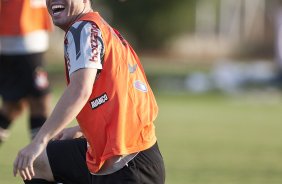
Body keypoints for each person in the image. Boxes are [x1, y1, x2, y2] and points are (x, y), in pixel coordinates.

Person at [13, 0, 165, 184]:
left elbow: (80, 89)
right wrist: (81, 130)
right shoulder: (98, 27)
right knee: (38, 164)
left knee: (35, 159)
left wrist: (40, 140)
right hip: (133, 158)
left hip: (128, 165)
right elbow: (121, 96)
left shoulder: (83, 29)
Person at [0, 0, 52, 143]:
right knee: (40, 102)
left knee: (14, 105)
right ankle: (40, 158)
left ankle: (39, 157)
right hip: (23, 37)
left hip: (26, 35)